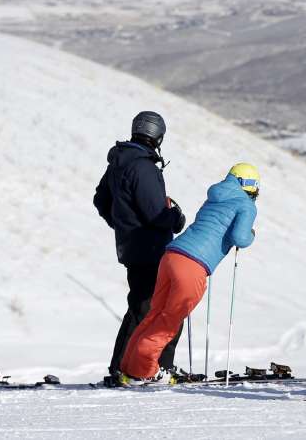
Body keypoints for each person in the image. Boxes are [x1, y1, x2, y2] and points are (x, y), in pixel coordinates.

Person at [118, 163, 260, 385]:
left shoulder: (213, 197)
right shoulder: (246, 205)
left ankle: (128, 368)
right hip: (193, 265)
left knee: (155, 314)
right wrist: (252, 234)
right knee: (168, 321)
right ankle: (144, 372)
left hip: (171, 255)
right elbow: (241, 237)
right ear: (250, 186)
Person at [93, 111, 186, 384]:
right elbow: (155, 213)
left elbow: (101, 200)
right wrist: (176, 218)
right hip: (150, 248)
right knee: (148, 308)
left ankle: (127, 366)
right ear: (158, 136)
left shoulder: (119, 163)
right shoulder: (143, 167)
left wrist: (123, 225)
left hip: (132, 247)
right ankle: (128, 368)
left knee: (140, 306)